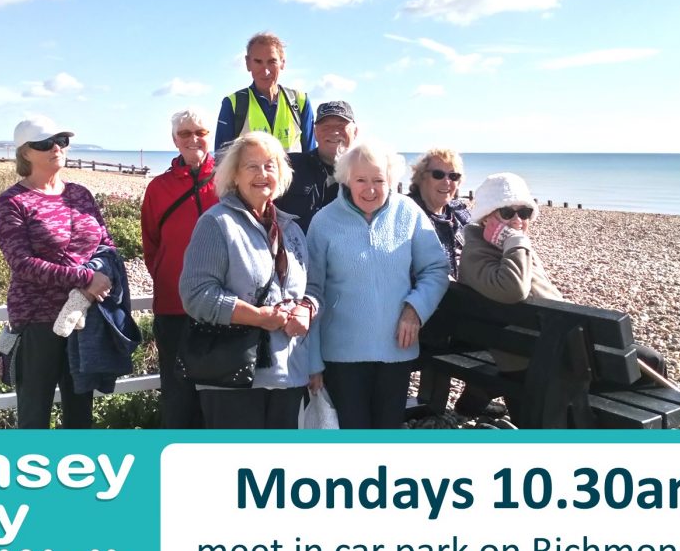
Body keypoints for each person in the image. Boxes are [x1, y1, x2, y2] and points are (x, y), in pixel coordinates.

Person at [457, 172, 666, 419]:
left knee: (638, 358)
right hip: (544, 359)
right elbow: (513, 290)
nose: (517, 220)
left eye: (523, 213)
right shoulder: (483, 253)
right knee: (651, 361)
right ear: (485, 217)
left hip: (542, 345)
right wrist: (516, 241)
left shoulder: (499, 248)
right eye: (506, 212)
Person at [179, 132, 321, 429]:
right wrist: (257, 317)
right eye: (251, 166)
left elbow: (313, 287)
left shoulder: (291, 229)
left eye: (270, 165)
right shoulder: (217, 223)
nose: (262, 174)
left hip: (288, 372)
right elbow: (195, 294)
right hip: (234, 377)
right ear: (234, 174)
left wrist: (307, 309)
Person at [305, 139, 449, 429]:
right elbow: (311, 291)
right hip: (341, 355)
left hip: (396, 351)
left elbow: (435, 269)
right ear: (347, 180)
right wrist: (312, 361)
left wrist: (415, 309)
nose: (370, 189)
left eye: (378, 180)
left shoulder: (408, 213)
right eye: (361, 180)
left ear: (391, 180)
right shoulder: (324, 221)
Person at [0, 116, 114, 429]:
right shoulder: (14, 201)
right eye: (45, 143)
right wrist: (85, 278)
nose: (56, 148)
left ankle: (78, 474)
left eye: (61, 140)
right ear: (25, 153)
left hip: (84, 318)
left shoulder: (80, 194)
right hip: (38, 321)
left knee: (80, 416)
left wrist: (95, 281)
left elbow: (106, 245)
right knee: (34, 416)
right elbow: (21, 263)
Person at [140, 109, 218, 428]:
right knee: (177, 395)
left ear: (210, 135)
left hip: (222, 307)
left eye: (199, 132)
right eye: (185, 134)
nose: (193, 139)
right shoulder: (158, 188)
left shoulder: (230, 179)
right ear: (174, 140)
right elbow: (151, 245)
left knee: (219, 395)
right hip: (173, 306)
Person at [214, 32, 315, 154]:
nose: (265, 71)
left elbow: (311, 157)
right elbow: (221, 161)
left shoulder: (300, 101)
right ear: (248, 63)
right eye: (258, 62)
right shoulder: (233, 104)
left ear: (282, 63)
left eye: (272, 62)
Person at [275, 99, 358, 234]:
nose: (334, 132)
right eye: (326, 127)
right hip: (296, 251)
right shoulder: (289, 166)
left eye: (341, 126)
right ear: (315, 133)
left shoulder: (366, 173)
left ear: (355, 132)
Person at [407, 148, 471, 276]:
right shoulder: (408, 214)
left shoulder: (459, 212)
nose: (447, 181)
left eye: (453, 176)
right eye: (438, 175)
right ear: (421, 177)